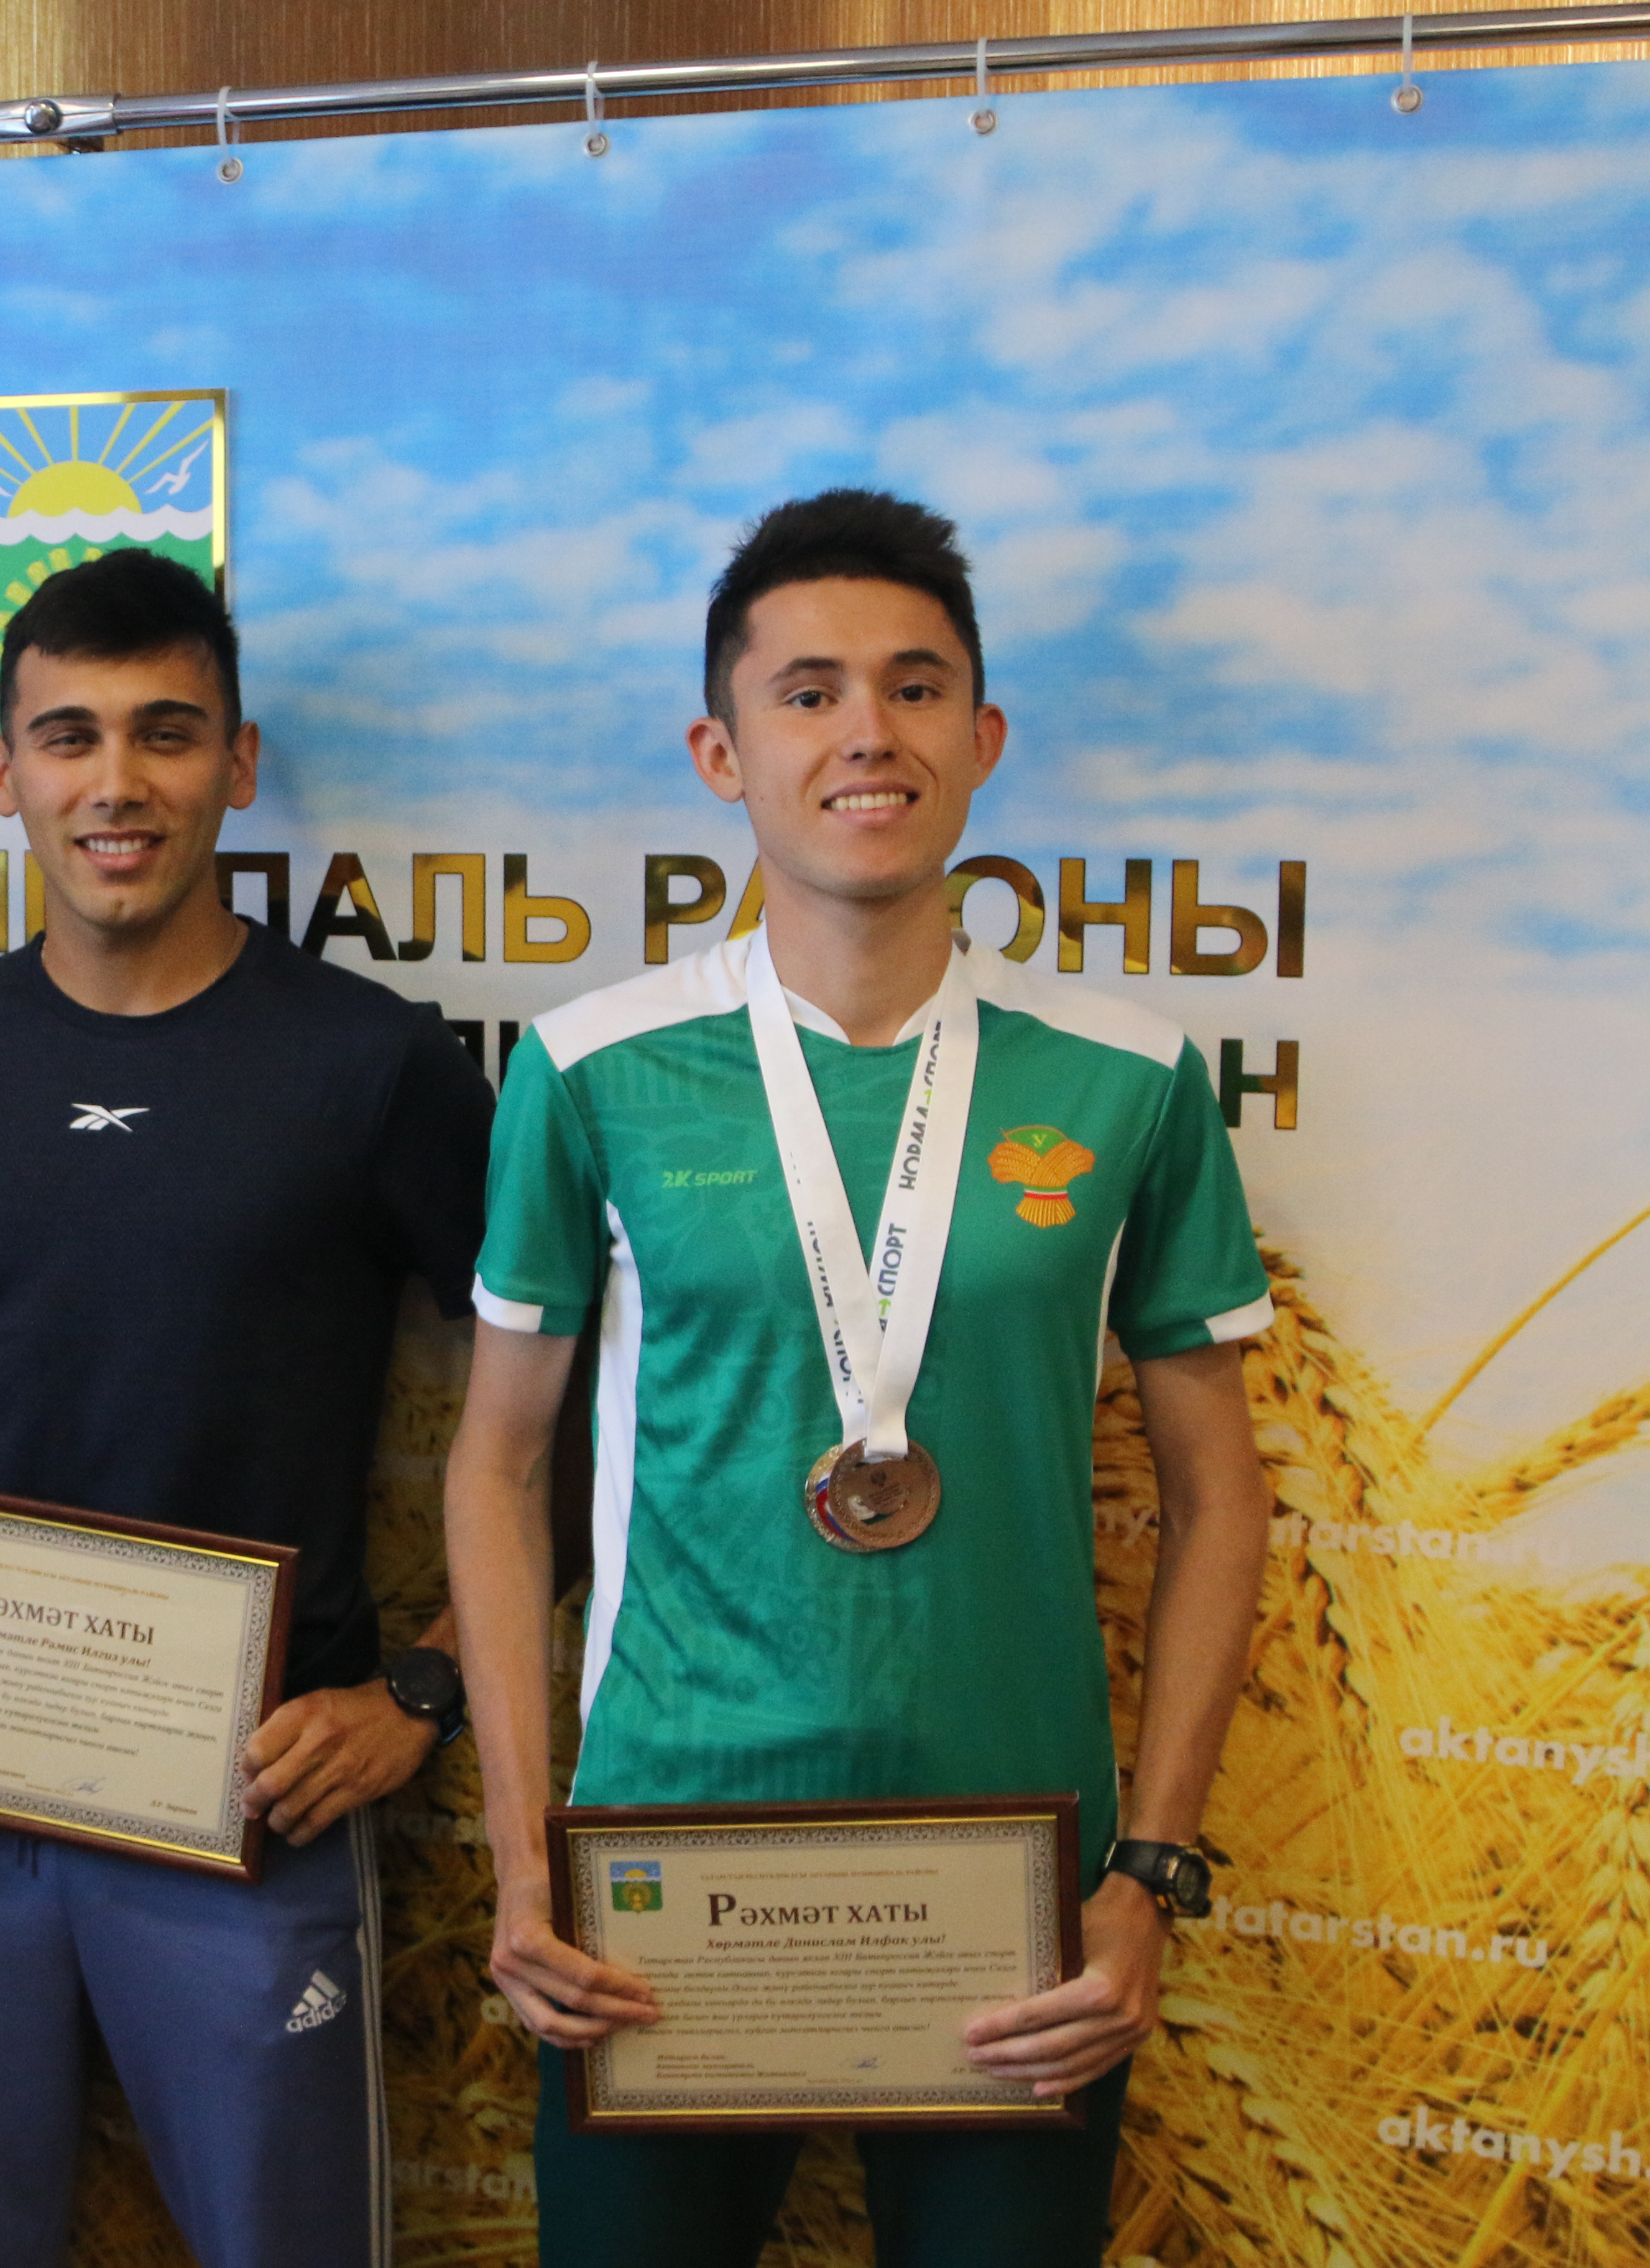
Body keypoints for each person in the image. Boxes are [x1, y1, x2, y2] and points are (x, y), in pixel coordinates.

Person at [446, 489, 1276, 2266]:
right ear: (722, 752)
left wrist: (1148, 1876)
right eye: (808, 693)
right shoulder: (589, 1069)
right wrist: (524, 1863)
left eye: (915, 687)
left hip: (1021, 1896)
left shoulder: (1130, 1077)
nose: (867, 734)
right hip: (658, 1885)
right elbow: (499, 1466)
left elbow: (1222, 1497)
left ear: (983, 737)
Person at [0, 549, 497, 2268]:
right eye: (70, 736)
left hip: (252, 1789)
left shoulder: (376, 1063)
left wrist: (423, 1684)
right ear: (3, 771)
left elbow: (564, 1419)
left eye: (167, 734)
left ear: (238, 765)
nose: (118, 782)